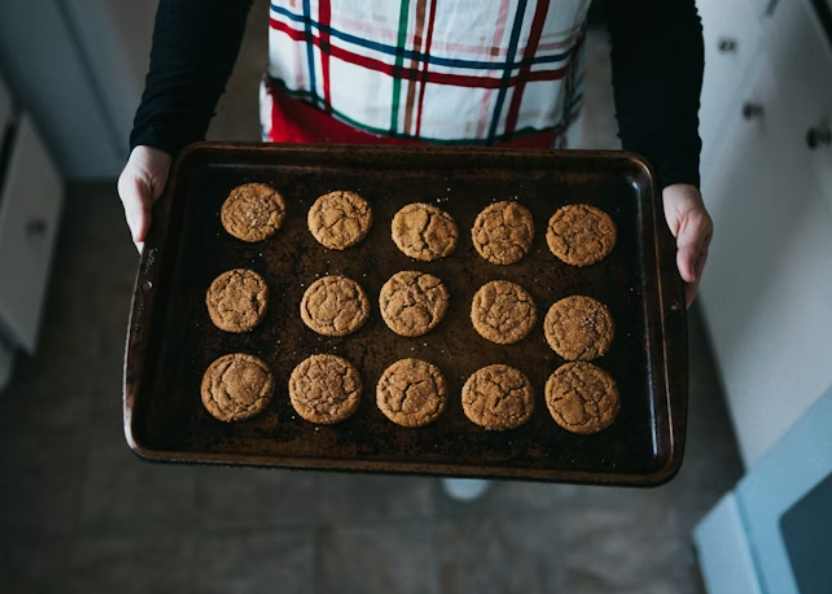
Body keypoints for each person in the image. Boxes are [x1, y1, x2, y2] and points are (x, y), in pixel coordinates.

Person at [119, 0, 713, 500]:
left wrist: (669, 166)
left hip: (515, 161)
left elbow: (654, 11)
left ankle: (468, 457)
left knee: (475, 401)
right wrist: (164, 130)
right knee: (334, 304)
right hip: (316, 145)